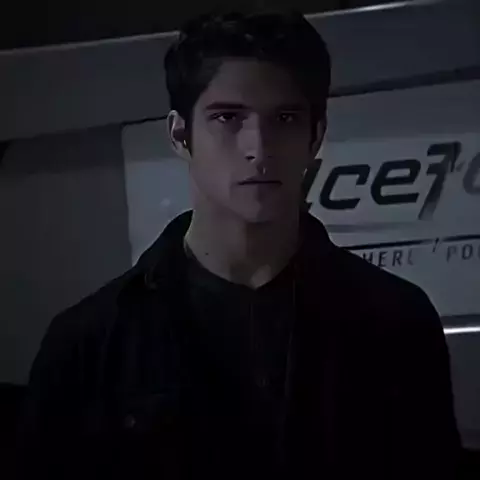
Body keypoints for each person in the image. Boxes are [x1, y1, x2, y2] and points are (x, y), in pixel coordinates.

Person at [17, 10, 461, 480]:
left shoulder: (396, 322)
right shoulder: (89, 344)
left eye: (285, 118)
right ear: (180, 135)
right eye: (227, 117)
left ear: (316, 134)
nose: (259, 148)